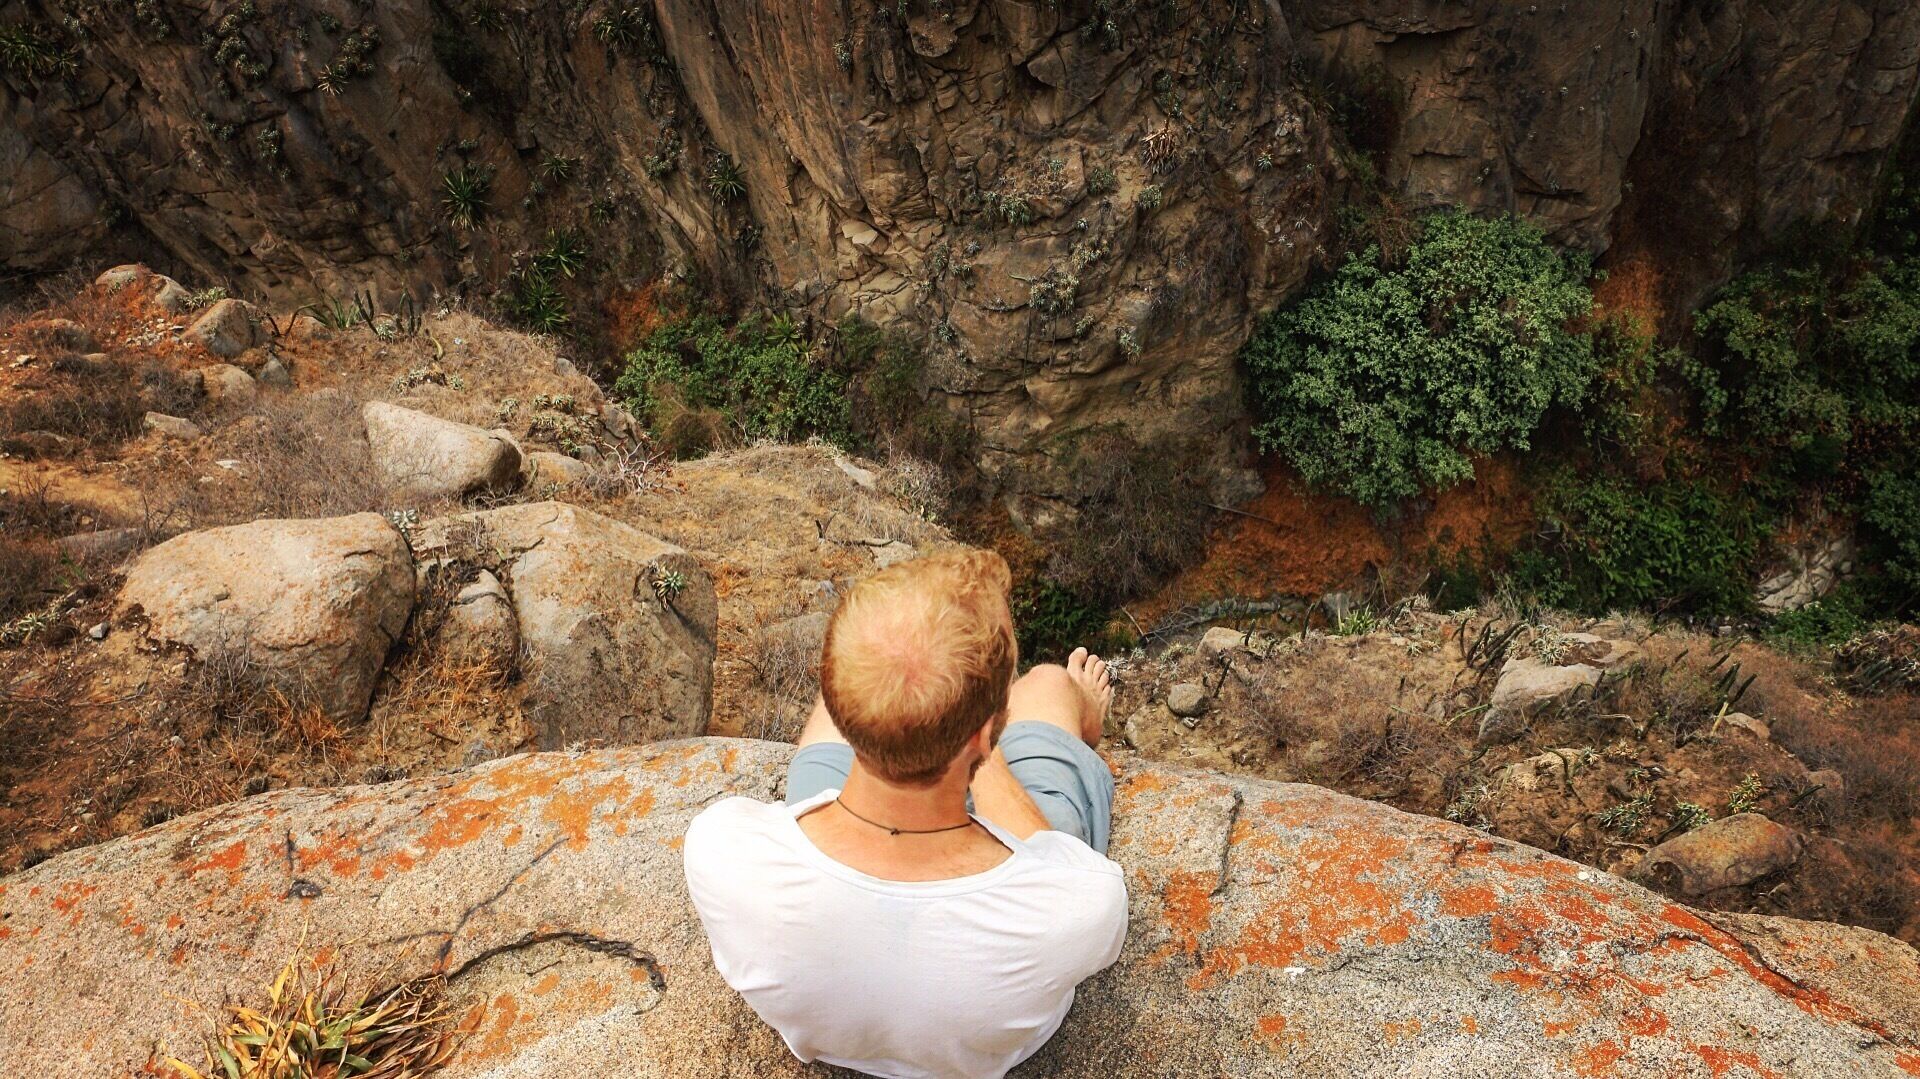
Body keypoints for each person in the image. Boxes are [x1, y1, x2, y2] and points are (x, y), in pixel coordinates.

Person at [683, 548, 1129, 1079]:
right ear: (986, 734)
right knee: (1053, 683)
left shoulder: (721, 849)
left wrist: (930, 722)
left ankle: (916, 716)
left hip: (862, 800)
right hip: (991, 806)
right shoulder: (1078, 903)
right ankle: (1052, 716)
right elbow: (1057, 860)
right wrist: (976, 751)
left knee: (895, 683)